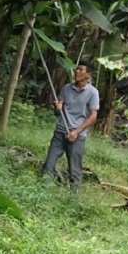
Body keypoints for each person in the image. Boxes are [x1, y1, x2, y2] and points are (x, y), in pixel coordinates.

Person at [40, 59, 100, 194]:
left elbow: (93, 117)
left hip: (77, 136)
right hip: (60, 131)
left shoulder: (93, 92)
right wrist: (57, 108)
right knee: (49, 163)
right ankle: (43, 192)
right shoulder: (67, 88)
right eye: (76, 69)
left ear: (88, 75)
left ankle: (74, 199)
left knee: (74, 170)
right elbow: (58, 112)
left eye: (80, 70)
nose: (76, 72)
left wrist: (76, 132)